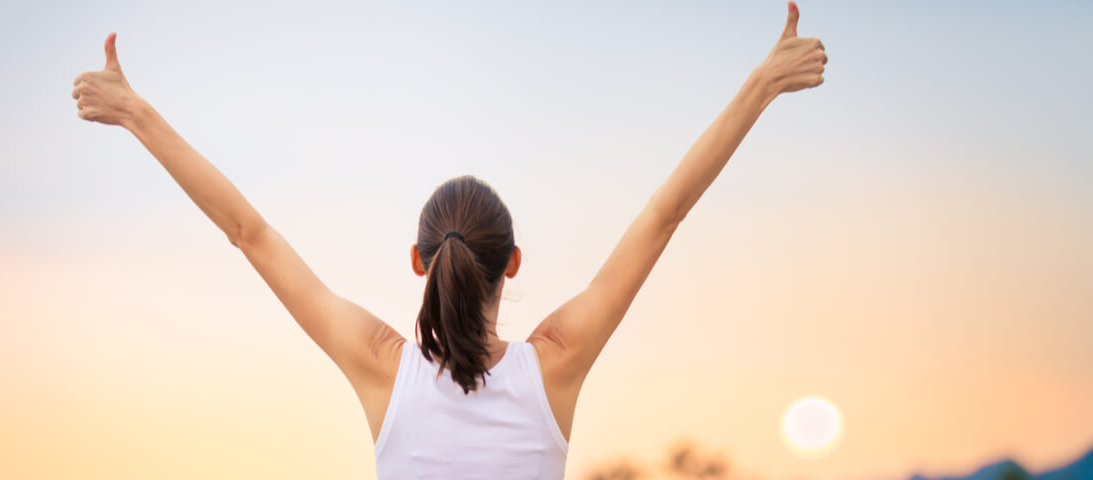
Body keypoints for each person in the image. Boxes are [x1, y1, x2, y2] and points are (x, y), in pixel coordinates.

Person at [71, 2, 825, 478]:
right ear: (514, 265)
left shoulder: (381, 369)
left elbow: (249, 231)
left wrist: (138, 115)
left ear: (417, 262)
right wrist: (761, 85)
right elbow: (664, 215)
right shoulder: (555, 365)